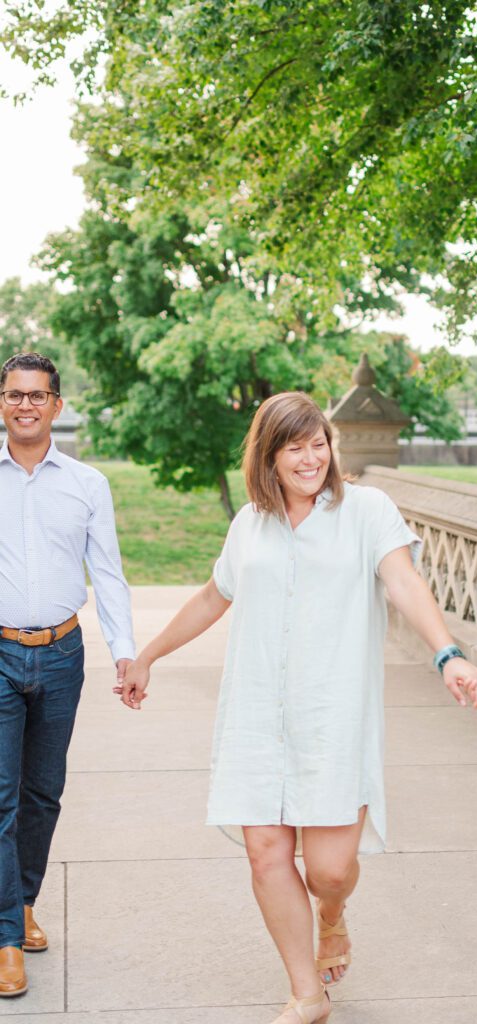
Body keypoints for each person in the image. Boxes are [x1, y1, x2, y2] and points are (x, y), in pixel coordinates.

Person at [119, 391, 477, 1024]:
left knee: (329, 870)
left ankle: (332, 915)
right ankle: (306, 993)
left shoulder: (368, 511)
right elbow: (213, 597)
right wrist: (148, 656)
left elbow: (405, 581)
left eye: (317, 442)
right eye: (293, 447)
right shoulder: (250, 524)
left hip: (331, 718)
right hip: (255, 717)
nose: (309, 458)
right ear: (268, 456)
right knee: (266, 854)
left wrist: (449, 656)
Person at [0, 352, 135, 997]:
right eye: (15, 394)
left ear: (57, 405)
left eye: (38, 396)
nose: (26, 405)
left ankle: (22, 900)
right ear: (2, 402)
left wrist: (127, 651)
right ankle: (5, 937)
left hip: (61, 653)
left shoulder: (88, 485)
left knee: (43, 792)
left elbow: (106, 572)